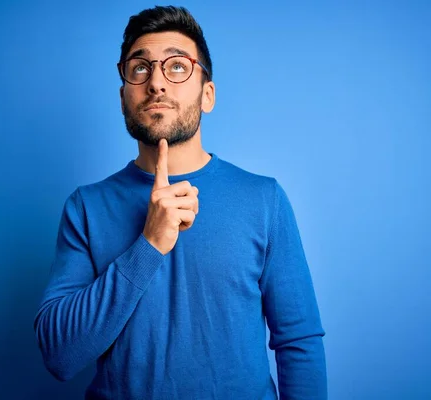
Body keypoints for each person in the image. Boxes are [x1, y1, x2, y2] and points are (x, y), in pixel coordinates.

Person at [34, 5, 327, 399]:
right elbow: (59, 356)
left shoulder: (264, 200)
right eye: (140, 68)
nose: (156, 82)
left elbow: (299, 342)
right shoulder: (86, 208)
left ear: (207, 95)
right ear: (124, 97)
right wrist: (149, 245)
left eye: (176, 67)